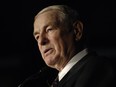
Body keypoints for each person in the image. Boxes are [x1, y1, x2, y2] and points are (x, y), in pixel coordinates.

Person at [19, 5, 115, 87]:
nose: (41, 41)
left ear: (77, 30)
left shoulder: (98, 69)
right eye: (37, 36)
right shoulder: (54, 80)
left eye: (49, 29)